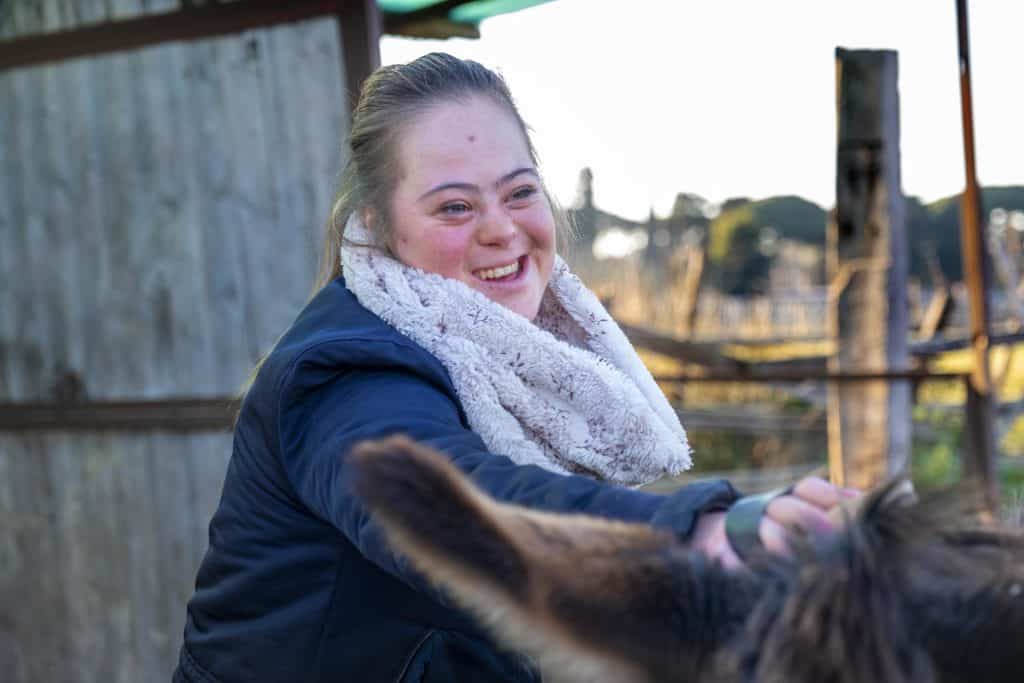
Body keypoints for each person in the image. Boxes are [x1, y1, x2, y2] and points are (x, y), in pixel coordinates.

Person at [174, 53, 855, 683]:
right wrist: (701, 535)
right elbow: (455, 503)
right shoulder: (343, 371)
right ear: (380, 226)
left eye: (519, 192)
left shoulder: (509, 355)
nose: (501, 228)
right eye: (455, 206)